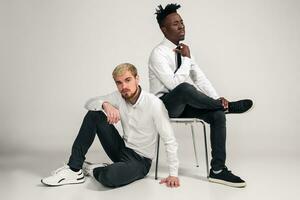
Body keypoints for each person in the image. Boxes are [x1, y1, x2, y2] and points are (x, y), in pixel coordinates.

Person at [148, 3, 253, 188]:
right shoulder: (158, 54)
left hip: (185, 105)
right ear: (163, 29)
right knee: (185, 89)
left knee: (217, 115)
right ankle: (227, 107)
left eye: (181, 22)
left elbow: (200, 78)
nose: (181, 26)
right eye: (175, 24)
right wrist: (186, 59)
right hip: (164, 106)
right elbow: (174, 86)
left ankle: (218, 170)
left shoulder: (185, 50)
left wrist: (218, 98)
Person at [41, 63, 180, 188]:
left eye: (128, 80)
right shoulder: (119, 97)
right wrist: (105, 104)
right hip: (121, 149)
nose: (124, 86)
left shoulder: (154, 104)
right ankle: (74, 169)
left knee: (109, 177)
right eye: (119, 83)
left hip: (140, 161)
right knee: (94, 115)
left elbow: (169, 139)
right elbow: (89, 103)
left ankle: (92, 169)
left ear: (137, 79)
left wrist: (173, 174)